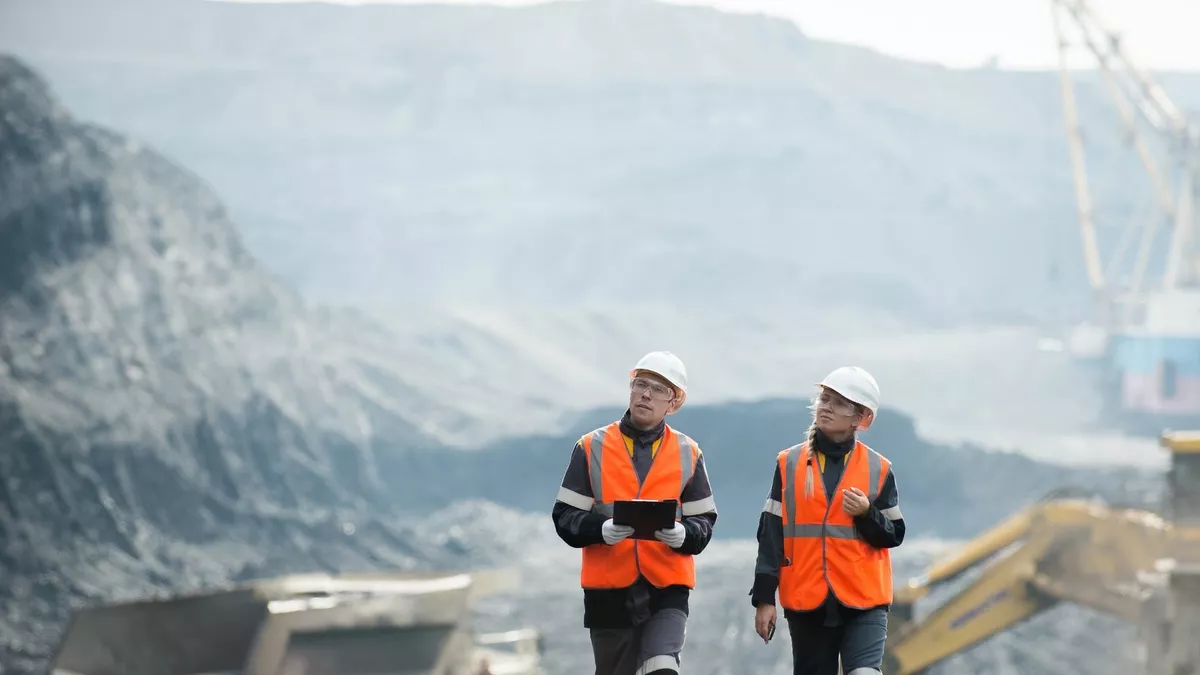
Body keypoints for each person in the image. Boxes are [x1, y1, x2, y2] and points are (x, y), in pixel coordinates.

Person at [552, 351, 718, 675]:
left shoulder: (689, 452)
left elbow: (704, 521)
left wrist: (684, 534)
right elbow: (564, 516)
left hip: (667, 590)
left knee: (662, 668)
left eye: (658, 389)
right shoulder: (590, 446)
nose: (646, 394)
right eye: (640, 384)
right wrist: (600, 529)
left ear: (673, 403)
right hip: (608, 594)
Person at [749, 366, 905, 675]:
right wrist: (764, 599)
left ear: (860, 418)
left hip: (864, 601)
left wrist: (867, 514)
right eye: (824, 399)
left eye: (839, 403)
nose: (827, 407)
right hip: (807, 601)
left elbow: (894, 534)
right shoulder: (788, 464)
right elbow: (771, 537)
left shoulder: (879, 468)